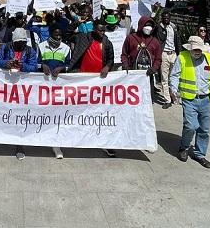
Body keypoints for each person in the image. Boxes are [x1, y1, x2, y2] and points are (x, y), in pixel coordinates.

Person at [170, 36, 210, 169]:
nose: (197, 52)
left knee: (204, 129)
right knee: (191, 126)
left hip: (206, 100)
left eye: (199, 49)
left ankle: (199, 154)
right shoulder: (182, 57)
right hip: (189, 99)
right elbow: (174, 75)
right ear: (190, 49)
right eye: (195, 49)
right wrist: (173, 89)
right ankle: (184, 147)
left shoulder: (209, 59)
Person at [67, 21, 116, 158]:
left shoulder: (107, 43)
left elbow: (111, 59)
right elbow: (67, 33)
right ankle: (75, 136)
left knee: (98, 112)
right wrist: (77, 21)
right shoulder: (83, 37)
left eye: (104, 31)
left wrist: (107, 67)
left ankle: (104, 143)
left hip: (98, 83)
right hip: (81, 80)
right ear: (94, 29)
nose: (102, 33)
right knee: (78, 110)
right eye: (100, 30)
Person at [0, 27, 38, 160]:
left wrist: (21, 66)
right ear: (13, 42)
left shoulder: (30, 51)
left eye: (23, 43)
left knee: (21, 114)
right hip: (6, 87)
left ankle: (20, 144)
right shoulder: (6, 48)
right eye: (18, 43)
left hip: (23, 89)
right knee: (5, 112)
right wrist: (7, 63)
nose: (21, 45)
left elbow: (34, 67)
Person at [39, 25, 71, 159]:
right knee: (42, 113)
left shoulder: (66, 48)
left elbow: (70, 64)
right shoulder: (41, 46)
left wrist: (62, 68)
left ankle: (56, 144)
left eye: (60, 35)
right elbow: (35, 62)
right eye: (55, 35)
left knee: (56, 114)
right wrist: (42, 65)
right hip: (44, 86)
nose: (58, 37)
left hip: (59, 87)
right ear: (50, 34)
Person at [121, 16, 162, 103]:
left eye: (151, 26)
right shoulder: (130, 38)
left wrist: (154, 68)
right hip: (133, 74)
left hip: (148, 76)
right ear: (141, 25)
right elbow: (124, 54)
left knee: (147, 100)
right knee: (132, 100)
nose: (148, 28)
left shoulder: (155, 42)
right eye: (146, 25)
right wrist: (125, 65)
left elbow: (158, 58)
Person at [156, 12, 181, 108]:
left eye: (168, 18)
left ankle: (174, 97)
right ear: (162, 18)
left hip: (173, 54)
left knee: (174, 77)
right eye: (164, 18)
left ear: (170, 18)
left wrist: (180, 54)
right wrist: (155, 10)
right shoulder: (159, 28)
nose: (166, 19)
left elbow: (177, 41)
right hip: (164, 54)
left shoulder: (173, 28)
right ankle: (167, 100)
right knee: (164, 78)